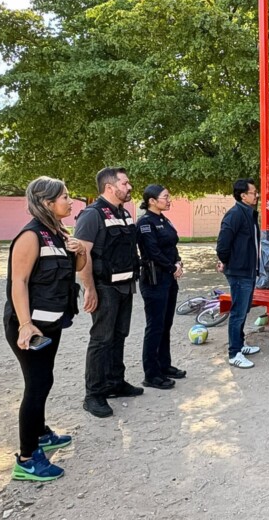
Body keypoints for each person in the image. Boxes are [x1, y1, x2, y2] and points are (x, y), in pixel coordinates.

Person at [5, 177, 85, 481]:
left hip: (51, 323)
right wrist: (25, 325)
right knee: (36, 385)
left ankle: (40, 434)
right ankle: (26, 459)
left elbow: (77, 268)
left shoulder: (59, 233)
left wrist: (80, 250)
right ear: (47, 203)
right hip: (29, 326)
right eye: (65, 197)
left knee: (45, 378)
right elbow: (19, 282)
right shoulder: (30, 236)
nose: (71, 201)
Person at [76, 167, 143, 418]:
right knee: (101, 340)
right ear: (109, 187)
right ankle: (93, 394)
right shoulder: (92, 215)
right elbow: (83, 255)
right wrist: (89, 289)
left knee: (119, 336)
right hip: (104, 288)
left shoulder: (123, 213)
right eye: (125, 183)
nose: (129, 187)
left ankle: (115, 382)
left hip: (125, 285)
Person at [136, 184, 185, 391]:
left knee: (166, 324)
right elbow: (152, 251)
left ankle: (164, 365)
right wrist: (172, 267)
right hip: (154, 279)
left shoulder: (163, 220)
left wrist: (178, 262)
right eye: (165, 197)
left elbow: (171, 246)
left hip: (169, 278)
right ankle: (151, 374)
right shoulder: (145, 223)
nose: (169, 200)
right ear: (152, 201)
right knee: (155, 326)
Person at [216, 179, 262, 369]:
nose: (256, 195)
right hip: (239, 271)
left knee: (243, 310)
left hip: (248, 270)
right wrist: (227, 262)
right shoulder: (235, 215)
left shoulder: (249, 213)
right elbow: (223, 244)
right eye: (253, 192)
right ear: (243, 196)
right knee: (238, 312)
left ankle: (240, 344)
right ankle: (234, 353)